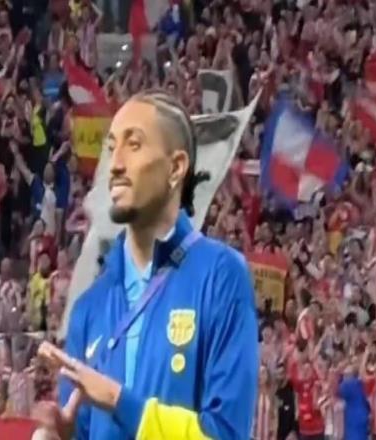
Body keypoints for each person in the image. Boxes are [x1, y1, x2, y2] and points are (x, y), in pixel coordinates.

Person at [39, 90, 259, 439]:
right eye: (112, 147)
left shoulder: (221, 276)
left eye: (134, 145)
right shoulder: (90, 307)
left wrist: (119, 401)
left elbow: (226, 434)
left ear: (176, 167)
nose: (115, 164)